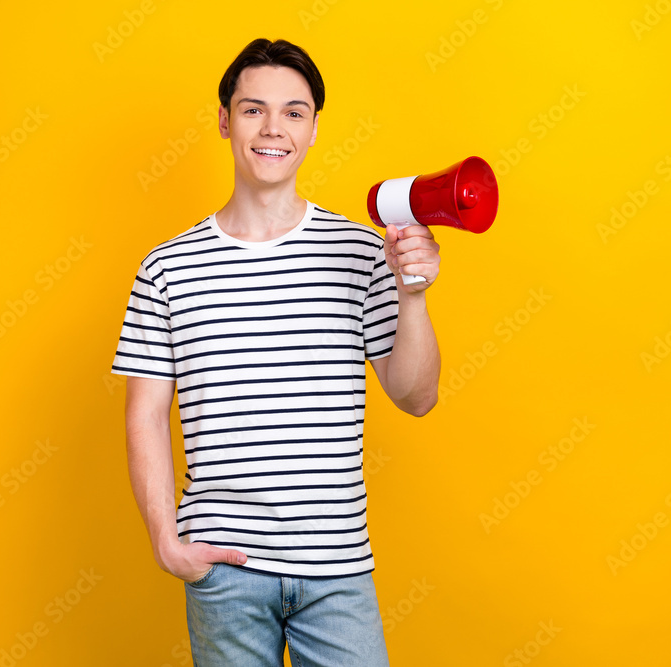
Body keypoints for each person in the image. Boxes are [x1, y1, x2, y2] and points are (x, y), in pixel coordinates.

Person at [112, 37, 441, 666]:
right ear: (224, 120)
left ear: (315, 128)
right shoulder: (167, 267)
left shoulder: (361, 252)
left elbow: (417, 397)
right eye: (253, 108)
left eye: (293, 112)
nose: (273, 128)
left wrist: (413, 296)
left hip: (337, 567)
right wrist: (165, 539)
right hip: (223, 571)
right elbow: (145, 414)